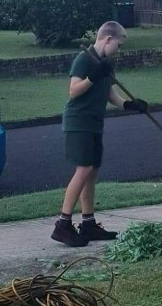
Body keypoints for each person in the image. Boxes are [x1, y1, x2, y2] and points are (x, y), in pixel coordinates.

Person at [51, 21, 149, 247]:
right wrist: (92, 76)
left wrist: (130, 105)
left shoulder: (106, 63)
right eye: (119, 44)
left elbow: (110, 95)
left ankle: (88, 224)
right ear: (107, 39)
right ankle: (62, 225)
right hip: (79, 122)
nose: (119, 49)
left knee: (91, 172)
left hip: (95, 123)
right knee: (83, 168)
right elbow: (74, 91)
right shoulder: (84, 59)